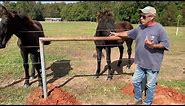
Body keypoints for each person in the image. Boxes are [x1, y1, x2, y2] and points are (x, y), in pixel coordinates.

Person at [110, 6, 170, 105]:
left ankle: (147, 103)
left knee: (150, 85)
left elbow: (165, 44)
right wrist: (117, 34)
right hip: (140, 63)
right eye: (140, 16)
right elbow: (128, 33)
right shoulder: (140, 28)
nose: (141, 18)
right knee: (135, 81)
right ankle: (138, 99)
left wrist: (153, 45)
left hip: (152, 64)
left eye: (143, 16)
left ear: (151, 17)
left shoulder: (159, 29)